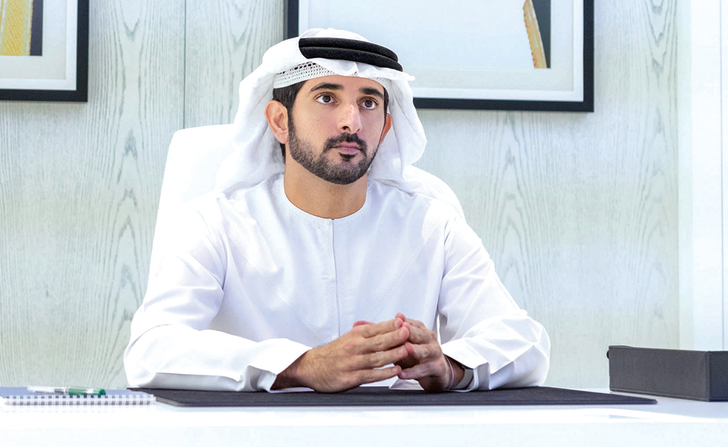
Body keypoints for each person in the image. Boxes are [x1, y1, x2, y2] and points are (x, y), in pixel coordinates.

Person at [124, 28, 550, 393]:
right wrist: (301, 366)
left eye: (369, 103)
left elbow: (526, 343)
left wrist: (450, 367)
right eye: (327, 98)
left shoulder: (431, 225)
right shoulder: (215, 223)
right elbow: (150, 349)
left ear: (385, 127)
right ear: (279, 121)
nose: (352, 121)